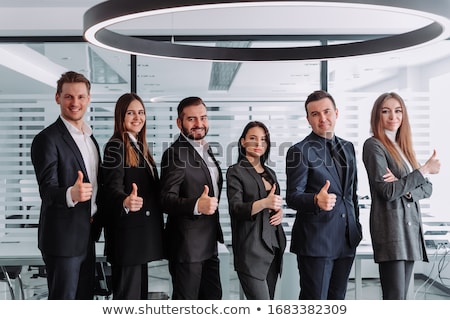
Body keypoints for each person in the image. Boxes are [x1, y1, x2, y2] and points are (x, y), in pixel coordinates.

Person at [30, 71, 103, 299]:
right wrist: (71, 193)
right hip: (62, 241)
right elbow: (47, 190)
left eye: (80, 97)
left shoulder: (90, 139)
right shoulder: (47, 139)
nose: (75, 103)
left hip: (86, 236)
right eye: (69, 96)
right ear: (57, 98)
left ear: (88, 99)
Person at [362, 92, 440, 300]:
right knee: (394, 298)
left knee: (402, 299)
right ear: (377, 116)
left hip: (409, 231)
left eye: (398, 111)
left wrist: (403, 187)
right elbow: (387, 191)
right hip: (391, 231)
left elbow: (428, 188)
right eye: (385, 111)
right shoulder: (374, 145)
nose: (393, 116)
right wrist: (423, 170)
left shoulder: (404, 148)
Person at [285, 90, 362, 300]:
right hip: (317, 242)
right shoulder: (299, 151)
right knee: (315, 302)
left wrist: (356, 227)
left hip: (346, 240)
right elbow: (292, 196)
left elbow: (351, 194)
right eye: (315, 114)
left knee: (337, 301)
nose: (322, 118)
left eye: (327, 111)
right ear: (308, 119)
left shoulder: (348, 147)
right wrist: (315, 200)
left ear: (336, 113)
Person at [101, 93, 165, 300]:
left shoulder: (138, 146)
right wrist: (125, 201)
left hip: (139, 238)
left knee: (139, 298)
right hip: (127, 239)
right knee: (128, 299)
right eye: (131, 113)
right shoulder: (115, 146)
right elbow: (112, 188)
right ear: (120, 116)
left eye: (141, 112)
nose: (137, 117)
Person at [160, 96, 224, 300]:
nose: (199, 124)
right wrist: (197, 205)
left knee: (213, 299)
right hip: (187, 248)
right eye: (192, 119)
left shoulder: (205, 149)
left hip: (209, 243)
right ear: (179, 123)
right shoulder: (175, 154)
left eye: (203, 117)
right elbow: (165, 199)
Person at [226, 121, 286, 300]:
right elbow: (236, 208)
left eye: (263, 140)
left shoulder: (270, 173)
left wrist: (278, 212)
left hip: (273, 246)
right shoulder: (235, 171)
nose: (259, 144)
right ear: (243, 142)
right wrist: (264, 203)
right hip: (251, 249)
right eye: (253, 138)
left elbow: (273, 204)